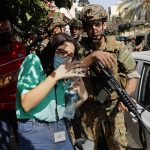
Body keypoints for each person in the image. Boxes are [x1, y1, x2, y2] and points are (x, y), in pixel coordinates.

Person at [77, 4, 140, 150]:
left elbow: (133, 76)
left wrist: (127, 94)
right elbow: (72, 71)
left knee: (117, 146)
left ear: (104, 24)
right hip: (89, 109)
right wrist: (92, 56)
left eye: (97, 24)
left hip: (113, 108)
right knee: (88, 146)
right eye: (90, 26)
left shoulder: (117, 48)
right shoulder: (79, 48)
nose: (94, 30)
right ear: (85, 28)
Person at [16, 33, 90, 150]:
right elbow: (26, 104)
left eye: (70, 55)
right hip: (36, 130)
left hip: (60, 127)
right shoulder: (34, 61)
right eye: (62, 52)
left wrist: (83, 96)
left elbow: (66, 110)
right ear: (51, 50)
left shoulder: (62, 77)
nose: (67, 58)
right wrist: (55, 76)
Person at [0, 15, 26, 149]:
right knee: (4, 144)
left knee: (23, 140)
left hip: (21, 105)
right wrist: (13, 77)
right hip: (2, 109)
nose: (6, 32)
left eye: (7, 29)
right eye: (2, 31)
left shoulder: (19, 47)